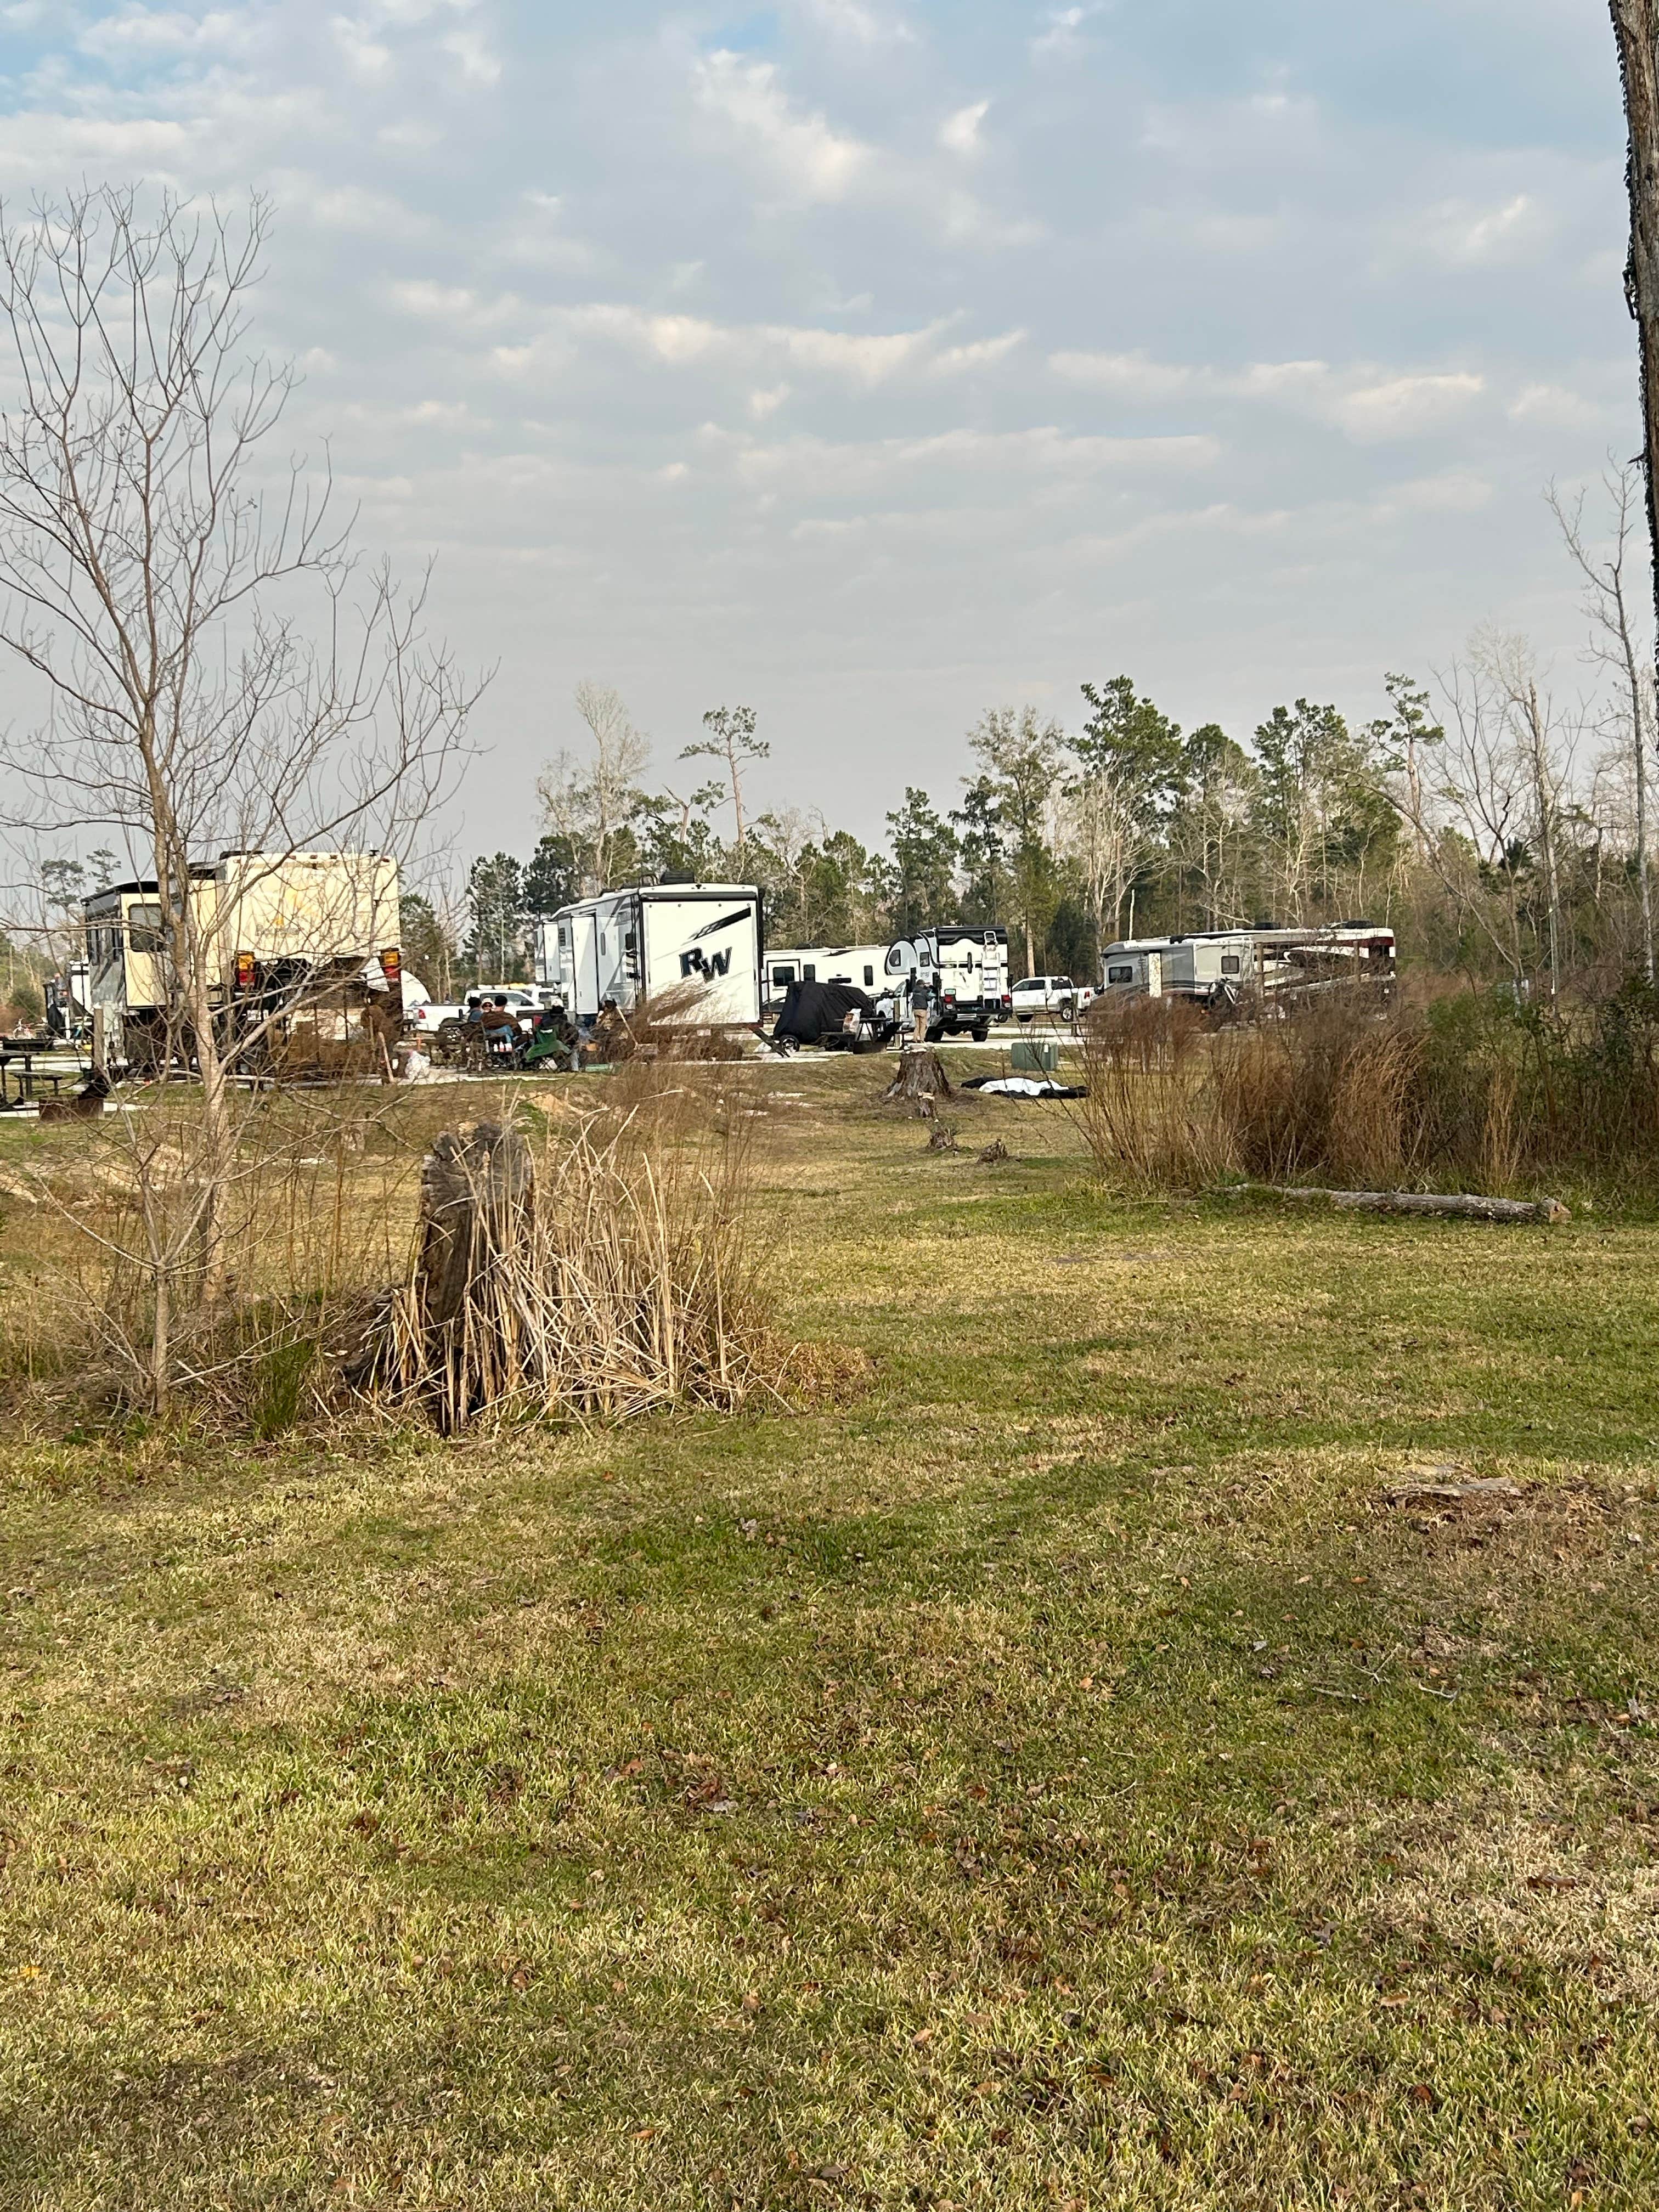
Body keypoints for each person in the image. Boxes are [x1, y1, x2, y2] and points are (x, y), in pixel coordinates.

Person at [907, 970, 933, 1045]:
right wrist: (930, 991)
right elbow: (928, 998)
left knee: (917, 1026)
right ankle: (922, 1039)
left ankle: (915, 1038)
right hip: (923, 1010)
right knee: (923, 1026)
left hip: (915, 1010)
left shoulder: (914, 991)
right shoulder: (924, 991)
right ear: (922, 985)